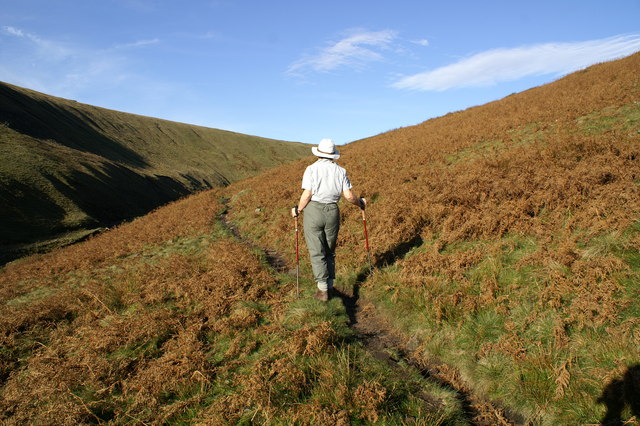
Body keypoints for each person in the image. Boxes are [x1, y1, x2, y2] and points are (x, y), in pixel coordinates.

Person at [291, 138, 366, 302]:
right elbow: (348, 196)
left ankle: (322, 291)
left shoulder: (311, 169)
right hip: (333, 211)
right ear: (332, 155)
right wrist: (360, 203)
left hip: (313, 211)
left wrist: (298, 210)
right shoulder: (341, 171)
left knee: (317, 251)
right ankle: (331, 285)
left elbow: (307, 194)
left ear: (318, 153)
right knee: (330, 250)